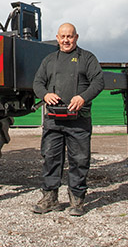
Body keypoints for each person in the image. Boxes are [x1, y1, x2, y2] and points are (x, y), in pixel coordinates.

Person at [32, 22, 104, 216]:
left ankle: (77, 200)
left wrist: (83, 97)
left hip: (78, 120)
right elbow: (37, 83)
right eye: (62, 37)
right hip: (53, 120)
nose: (66, 40)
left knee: (79, 160)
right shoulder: (49, 60)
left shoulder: (87, 58)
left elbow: (98, 81)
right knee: (50, 158)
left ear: (76, 37)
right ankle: (50, 198)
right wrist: (45, 95)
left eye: (70, 36)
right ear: (57, 38)